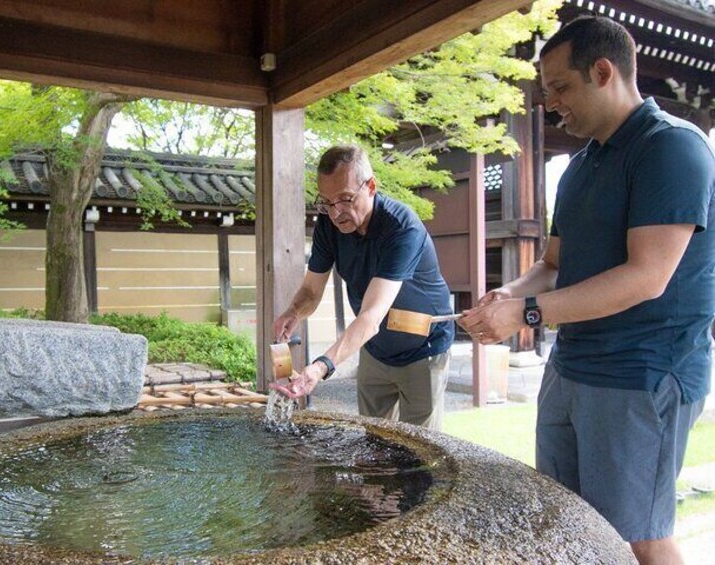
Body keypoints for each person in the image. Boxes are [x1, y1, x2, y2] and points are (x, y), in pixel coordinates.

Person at [459, 15, 714, 565]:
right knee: (565, 520)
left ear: (603, 72)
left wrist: (527, 314)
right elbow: (552, 265)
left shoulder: (671, 148)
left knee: (641, 533)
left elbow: (648, 277)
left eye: (560, 88)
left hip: (643, 372)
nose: (551, 104)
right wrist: (508, 296)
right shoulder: (578, 168)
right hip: (572, 367)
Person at [270, 144, 454, 431]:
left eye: (345, 199)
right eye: (327, 202)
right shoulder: (329, 226)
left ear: (370, 186)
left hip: (423, 348)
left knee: (419, 453)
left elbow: (370, 316)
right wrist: (294, 312)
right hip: (375, 348)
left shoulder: (402, 229)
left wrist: (320, 366)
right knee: (374, 442)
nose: (336, 212)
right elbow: (310, 291)